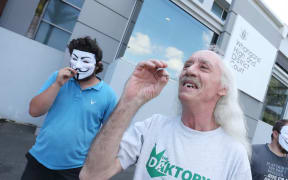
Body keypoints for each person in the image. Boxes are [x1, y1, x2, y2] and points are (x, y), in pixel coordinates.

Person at [80, 49, 252, 180]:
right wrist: (130, 100)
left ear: (223, 88)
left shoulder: (234, 153)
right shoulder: (152, 127)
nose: (189, 70)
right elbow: (91, 174)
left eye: (204, 67)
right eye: (187, 65)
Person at [21, 36, 117, 180]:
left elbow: (110, 133)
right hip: (39, 159)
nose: (78, 65)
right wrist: (57, 84)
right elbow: (34, 111)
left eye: (85, 61)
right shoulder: (57, 77)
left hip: (74, 170)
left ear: (97, 65)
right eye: (75, 59)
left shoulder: (108, 95)